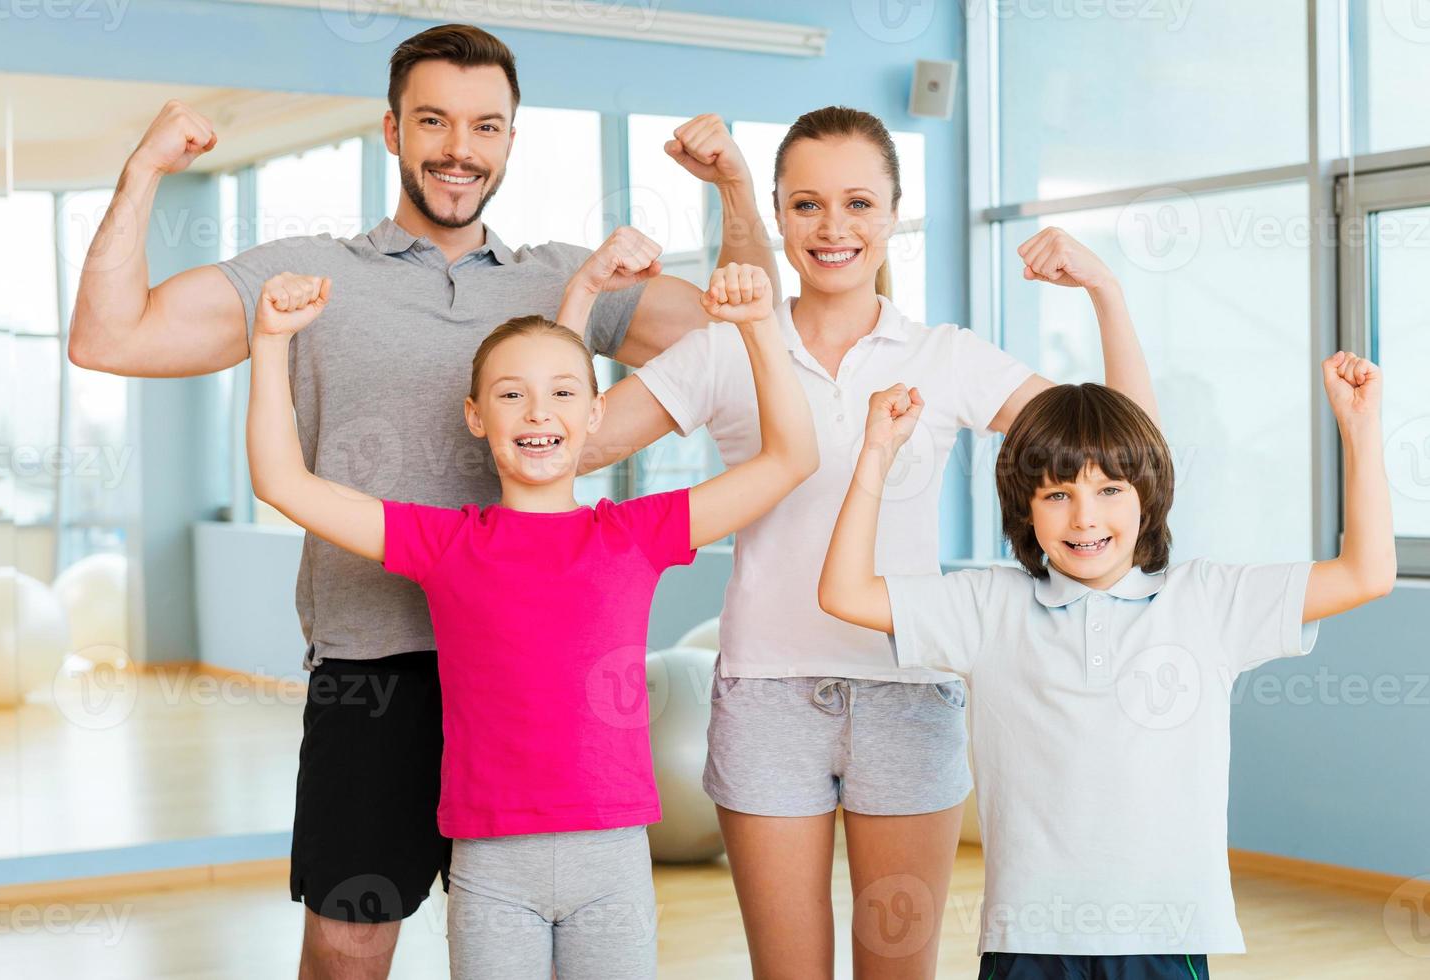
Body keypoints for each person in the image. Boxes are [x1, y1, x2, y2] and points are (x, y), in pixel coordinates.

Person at [66, 23, 779, 979]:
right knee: (349, 946)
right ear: (391, 131)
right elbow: (109, 337)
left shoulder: (558, 279)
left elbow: (747, 330)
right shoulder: (310, 273)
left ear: (511, 140)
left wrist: (733, 187)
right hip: (379, 671)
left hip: (543, 682)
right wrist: (146, 169)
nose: (459, 147)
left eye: (486, 125)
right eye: (434, 120)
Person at [577, 105, 1154, 979]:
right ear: (776, 214)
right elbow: (564, 438)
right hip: (767, 693)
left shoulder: (945, 356)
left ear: (893, 214)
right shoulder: (725, 351)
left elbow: (1124, 450)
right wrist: (579, 297)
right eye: (806, 205)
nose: (833, 228)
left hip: (907, 691)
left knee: (898, 967)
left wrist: (1106, 291)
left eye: (857, 203)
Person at [244, 257, 816, 979]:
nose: (538, 412)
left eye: (561, 392)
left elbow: (791, 457)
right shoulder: (446, 543)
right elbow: (281, 480)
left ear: (593, 414)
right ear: (477, 418)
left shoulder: (634, 535)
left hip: (610, 857)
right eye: (512, 395)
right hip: (490, 863)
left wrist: (760, 329)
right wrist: (269, 344)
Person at [818, 354, 1395, 979]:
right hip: (1028, 937)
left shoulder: (1207, 601)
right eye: (1058, 494)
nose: (1085, 517)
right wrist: (876, 453)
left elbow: (1367, 573)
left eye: (1110, 490)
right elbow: (844, 593)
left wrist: (1360, 433)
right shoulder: (987, 604)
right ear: (1025, 511)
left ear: (1148, 496)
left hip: (1162, 934)